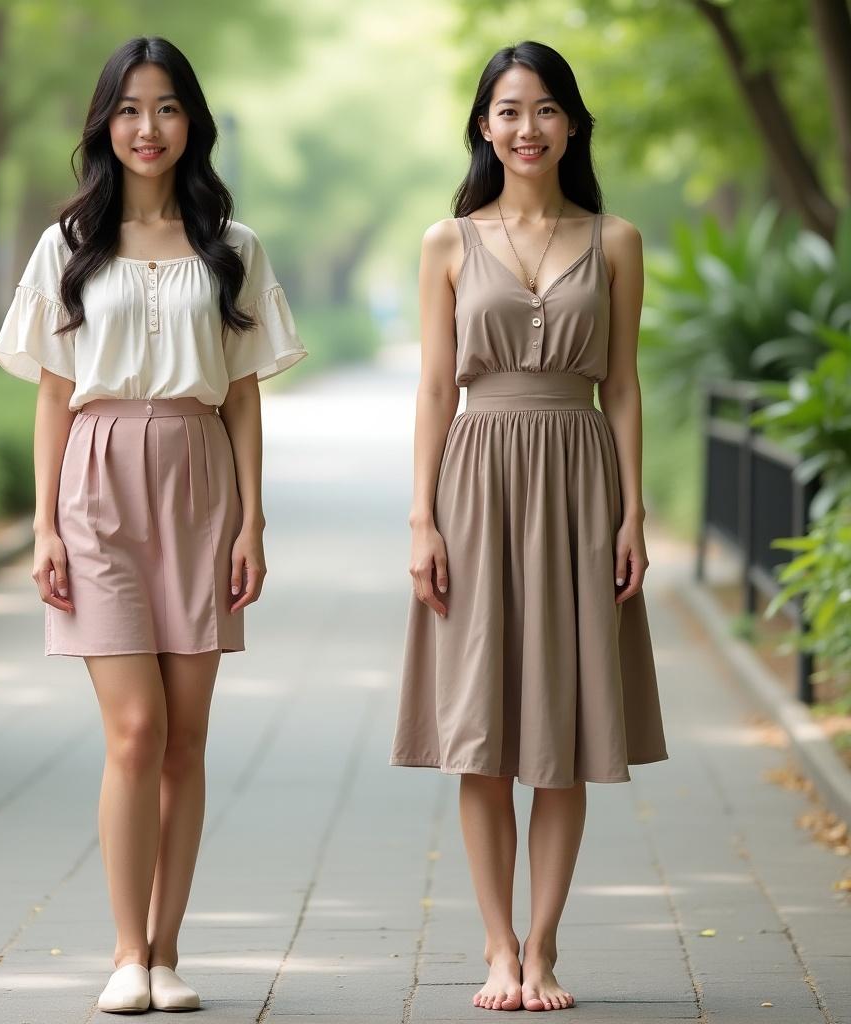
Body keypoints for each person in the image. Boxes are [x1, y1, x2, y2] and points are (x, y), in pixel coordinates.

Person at [0, 36, 306, 1014]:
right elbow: (51, 394)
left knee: (185, 739)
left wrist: (253, 520)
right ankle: (126, 953)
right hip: (95, 485)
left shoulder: (233, 247)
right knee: (134, 729)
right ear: (105, 123)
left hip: (200, 478)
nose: (147, 128)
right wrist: (42, 526)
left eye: (167, 108)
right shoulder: (67, 246)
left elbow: (245, 397)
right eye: (129, 109)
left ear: (191, 123)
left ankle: (168, 952)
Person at [389, 40, 668, 1013]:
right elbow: (432, 387)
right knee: (483, 732)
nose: (526, 128)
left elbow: (623, 386)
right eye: (508, 110)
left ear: (572, 124)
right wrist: (420, 517)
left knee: (562, 720)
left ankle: (544, 948)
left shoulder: (616, 239)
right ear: (482, 125)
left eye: (545, 110)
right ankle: (495, 946)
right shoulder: (446, 241)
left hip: (578, 480)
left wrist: (633, 509)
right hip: (475, 485)